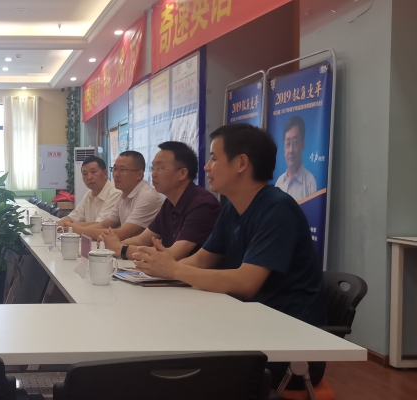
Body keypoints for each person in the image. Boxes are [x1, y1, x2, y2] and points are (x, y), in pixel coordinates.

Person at [132, 123, 325, 389]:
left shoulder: (277, 210)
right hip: (246, 326)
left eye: (214, 158)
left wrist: (174, 270)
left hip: (285, 345)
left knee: (169, 367)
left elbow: (246, 282)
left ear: (241, 163)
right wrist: (156, 270)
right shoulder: (233, 208)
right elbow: (202, 259)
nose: (207, 167)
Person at [99, 141, 220, 261]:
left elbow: (173, 254)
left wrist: (120, 248)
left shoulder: (202, 205)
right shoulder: (170, 203)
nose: (153, 174)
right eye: (153, 168)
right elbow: (142, 240)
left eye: (160, 168)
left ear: (182, 173)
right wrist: (111, 244)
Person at [59, 151, 163, 240]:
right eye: (115, 169)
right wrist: (73, 227)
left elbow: (122, 233)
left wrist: (78, 230)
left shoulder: (147, 196)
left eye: (122, 170)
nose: (116, 174)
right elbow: (104, 225)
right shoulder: (124, 195)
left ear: (139, 174)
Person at [56, 156, 121, 225]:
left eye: (93, 172)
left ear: (105, 173)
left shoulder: (115, 193)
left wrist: (69, 225)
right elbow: (72, 217)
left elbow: (100, 225)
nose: (89, 177)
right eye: (85, 174)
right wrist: (55, 224)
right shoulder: (88, 195)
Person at [275, 115, 316, 202]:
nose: (291, 150)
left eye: (295, 142)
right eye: (287, 144)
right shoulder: (279, 183)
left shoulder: (309, 182)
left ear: (302, 144)